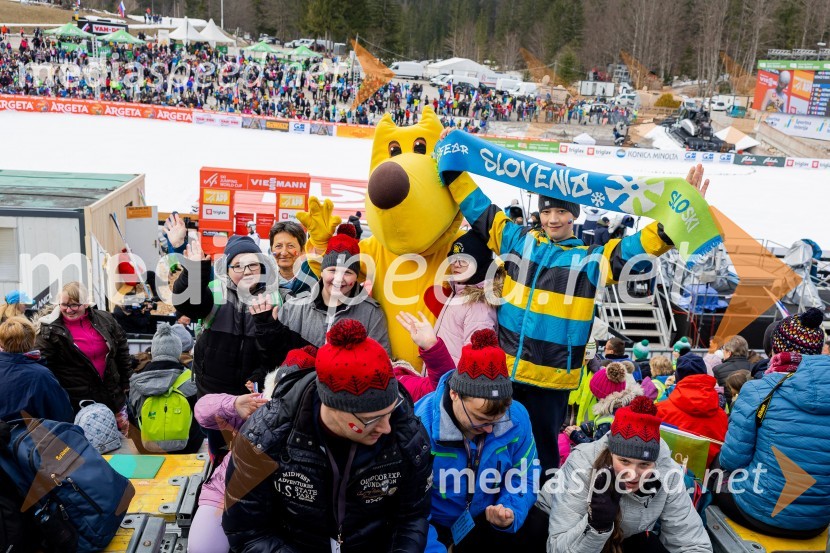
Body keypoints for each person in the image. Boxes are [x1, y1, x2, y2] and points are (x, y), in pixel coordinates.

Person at [446, 156, 710, 476]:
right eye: (546, 211)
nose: (553, 219)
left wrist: (675, 221)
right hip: (506, 375)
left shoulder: (589, 260)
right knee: (494, 446)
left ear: (575, 215)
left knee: (541, 459)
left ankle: (539, 516)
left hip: (551, 381)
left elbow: (634, 248)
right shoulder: (517, 242)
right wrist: (454, 165)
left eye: (561, 211)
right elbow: (481, 211)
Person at [223, 319, 433, 552]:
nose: (386, 428)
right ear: (331, 406)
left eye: (390, 411)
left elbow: (412, 518)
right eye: (372, 419)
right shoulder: (265, 436)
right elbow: (247, 532)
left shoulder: (407, 433)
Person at [416, 328, 540, 550]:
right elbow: (409, 509)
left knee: (538, 525)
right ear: (454, 393)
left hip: (485, 519)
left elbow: (526, 474)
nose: (491, 430)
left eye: (497, 419)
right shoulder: (420, 425)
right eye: (481, 420)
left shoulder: (517, 417)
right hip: (432, 527)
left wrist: (509, 508)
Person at [188, 347, 315, 553]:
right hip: (228, 491)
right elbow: (202, 410)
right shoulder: (256, 408)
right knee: (201, 548)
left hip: (286, 503)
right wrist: (234, 403)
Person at [716, 310, 830, 538]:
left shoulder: (758, 389)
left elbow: (732, 459)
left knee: (716, 469)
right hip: (818, 521)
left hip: (760, 512)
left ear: (776, 349)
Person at [547, 396, 712, 552]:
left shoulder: (668, 473)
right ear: (611, 453)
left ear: (655, 463)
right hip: (555, 530)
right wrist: (596, 525)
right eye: (624, 461)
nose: (632, 475)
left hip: (624, 536)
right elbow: (556, 548)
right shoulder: (581, 465)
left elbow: (691, 541)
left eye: (644, 464)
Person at [172, 235, 276, 459]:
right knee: (219, 450)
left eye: (252, 264)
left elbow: (275, 349)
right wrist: (194, 271)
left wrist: (261, 374)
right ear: (227, 269)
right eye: (237, 265)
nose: (246, 271)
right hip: (214, 392)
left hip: (252, 394)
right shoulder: (214, 291)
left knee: (251, 455)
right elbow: (187, 302)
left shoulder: (273, 297)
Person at [251, 224, 390, 359]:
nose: (338, 279)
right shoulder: (294, 307)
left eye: (347, 272)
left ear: (356, 276)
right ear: (322, 272)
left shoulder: (372, 313)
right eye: (332, 270)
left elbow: (381, 361)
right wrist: (266, 328)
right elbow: (274, 356)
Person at [36, 282, 132, 432]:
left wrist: (126, 380)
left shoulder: (105, 319)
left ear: (86, 303)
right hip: (77, 401)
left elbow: (121, 350)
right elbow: (42, 365)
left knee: (119, 444)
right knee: (85, 446)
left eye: (75, 305)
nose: (69, 310)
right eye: (64, 305)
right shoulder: (49, 329)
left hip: (112, 395)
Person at [127, 323, 203, 454]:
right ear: (178, 351)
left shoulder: (136, 381)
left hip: (147, 448)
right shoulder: (191, 379)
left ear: (154, 351)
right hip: (188, 447)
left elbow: (133, 416)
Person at [432, 231, 500, 365]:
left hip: (455, 383)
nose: (456, 264)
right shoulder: (459, 290)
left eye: (464, 260)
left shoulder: (479, 307)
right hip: (445, 379)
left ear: (480, 263)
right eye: (453, 258)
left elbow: (477, 364)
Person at [656, 354, 727, 468]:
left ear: (677, 377)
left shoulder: (660, 410)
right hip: (709, 479)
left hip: (668, 477)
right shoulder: (722, 416)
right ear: (704, 374)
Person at [0, 316, 73, 423]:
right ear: (33, 341)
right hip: (32, 436)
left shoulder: (40, 373)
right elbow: (63, 414)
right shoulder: (41, 374)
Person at [268, 220, 313, 299]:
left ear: (302, 250)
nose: (284, 252)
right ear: (271, 250)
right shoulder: (264, 281)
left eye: (290, 246)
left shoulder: (314, 279)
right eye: (278, 246)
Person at [713, 335, 751, 404]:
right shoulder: (754, 367)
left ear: (729, 352)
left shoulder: (717, 370)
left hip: (727, 409)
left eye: (723, 350)